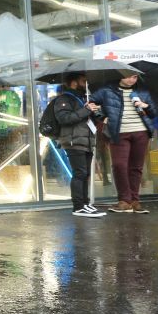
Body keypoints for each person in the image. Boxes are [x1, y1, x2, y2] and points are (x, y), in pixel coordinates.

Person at [47, 74, 106, 217]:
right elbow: (64, 119)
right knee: (79, 173)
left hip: (86, 140)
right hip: (73, 141)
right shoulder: (63, 99)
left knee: (84, 174)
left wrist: (95, 111)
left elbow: (89, 117)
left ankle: (84, 204)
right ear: (73, 82)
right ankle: (78, 206)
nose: (86, 84)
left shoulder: (82, 99)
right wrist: (85, 110)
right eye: (83, 81)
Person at [93, 73, 153, 213]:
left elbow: (155, 112)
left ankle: (134, 200)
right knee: (119, 165)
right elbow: (90, 103)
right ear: (119, 76)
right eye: (128, 76)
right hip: (118, 132)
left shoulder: (142, 91)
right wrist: (102, 117)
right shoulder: (106, 90)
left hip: (141, 131)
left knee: (136, 167)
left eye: (135, 77)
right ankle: (124, 200)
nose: (132, 80)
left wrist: (146, 106)